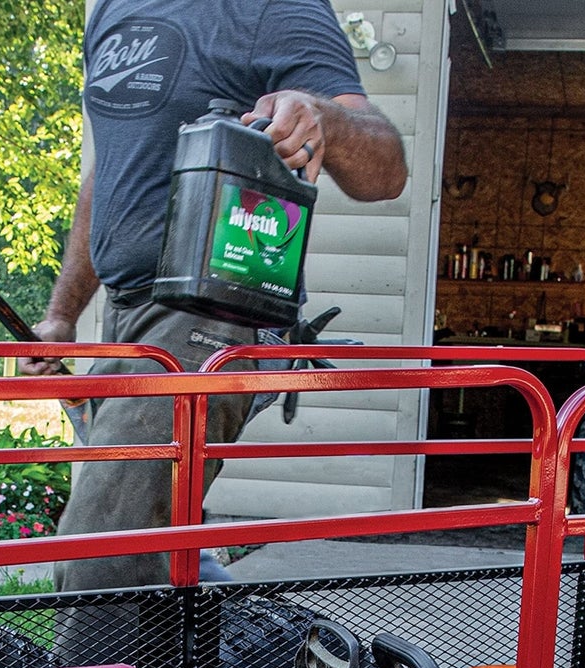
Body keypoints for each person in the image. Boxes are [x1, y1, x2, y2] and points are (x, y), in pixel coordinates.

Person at [24, 0, 407, 616]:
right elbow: (111, 170)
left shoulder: (271, 9)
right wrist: (63, 315)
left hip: (212, 314)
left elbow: (385, 169)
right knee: (158, 535)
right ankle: (259, 666)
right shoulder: (114, 12)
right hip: (127, 317)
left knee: (104, 550)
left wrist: (323, 121)